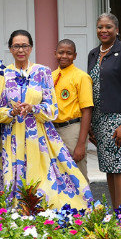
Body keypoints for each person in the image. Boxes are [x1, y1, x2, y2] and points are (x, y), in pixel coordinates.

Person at [0, 30, 92, 208]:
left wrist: (34, 108)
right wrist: (11, 112)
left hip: (38, 136)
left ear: (31, 48)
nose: (20, 50)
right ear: (10, 48)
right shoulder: (3, 74)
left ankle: (45, 213)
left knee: (43, 178)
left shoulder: (42, 71)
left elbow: (52, 109)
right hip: (13, 137)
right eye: (16, 46)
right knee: (14, 181)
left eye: (24, 45)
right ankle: (18, 216)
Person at [87, 13, 121, 208]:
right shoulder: (93, 54)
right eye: (100, 27)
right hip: (100, 119)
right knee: (110, 166)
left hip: (119, 118)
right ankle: (115, 211)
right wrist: (91, 122)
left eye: (108, 27)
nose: (104, 30)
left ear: (117, 30)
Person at [51, 39, 93, 180]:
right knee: (58, 175)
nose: (64, 56)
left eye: (69, 53)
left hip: (72, 130)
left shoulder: (81, 77)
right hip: (53, 130)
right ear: (55, 54)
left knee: (77, 175)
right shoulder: (50, 76)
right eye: (61, 52)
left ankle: (83, 202)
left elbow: (87, 111)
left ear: (75, 56)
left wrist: (81, 144)